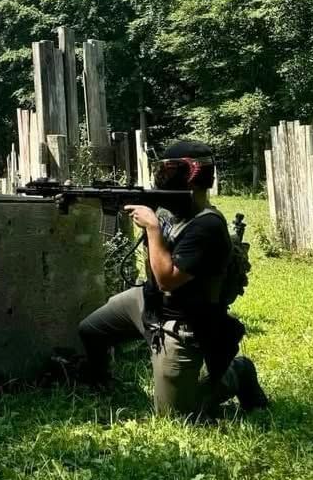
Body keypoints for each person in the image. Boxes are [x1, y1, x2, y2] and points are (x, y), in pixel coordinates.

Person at [77, 140, 268, 416]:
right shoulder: (170, 208)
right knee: (91, 330)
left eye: (167, 170)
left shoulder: (207, 225)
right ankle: (101, 383)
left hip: (182, 323)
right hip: (149, 301)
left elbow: (168, 280)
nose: (161, 176)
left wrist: (152, 228)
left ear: (189, 175)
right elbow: (157, 274)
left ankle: (238, 373)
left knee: (175, 414)